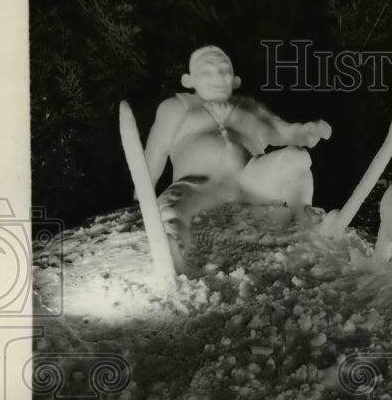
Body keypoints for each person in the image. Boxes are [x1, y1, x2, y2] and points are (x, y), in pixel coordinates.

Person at [142, 45, 331, 268]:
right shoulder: (177, 107)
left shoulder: (250, 109)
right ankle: (171, 247)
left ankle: (303, 214)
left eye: (225, 70)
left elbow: (283, 131)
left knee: (295, 158)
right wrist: (141, 192)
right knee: (171, 208)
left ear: (235, 80)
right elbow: (156, 151)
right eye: (208, 71)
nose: (219, 76)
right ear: (188, 80)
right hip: (199, 184)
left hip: (251, 179)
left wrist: (306, 132)